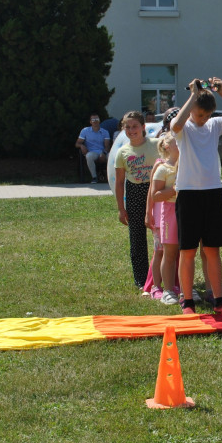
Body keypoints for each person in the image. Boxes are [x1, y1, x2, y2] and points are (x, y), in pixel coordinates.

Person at [170, 77, 222, 314]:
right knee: (187, 251)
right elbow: (174, 125)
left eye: (206, 115)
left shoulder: (215, 124)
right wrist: (193, 95)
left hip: (212, 193)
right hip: (188, 194)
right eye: (199, 115)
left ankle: (218, 299)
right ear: (192, 109)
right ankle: (187, 301)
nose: (202, 119)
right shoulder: (184, 127)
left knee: (212, 249)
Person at [113, 111, 158, 289]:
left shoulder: (156, 145)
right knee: (137, 238)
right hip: (134, 193)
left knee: (163, 236)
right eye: (128, 127)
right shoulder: (122, 152)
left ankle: (162, 276)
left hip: (155, 191)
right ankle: (141, 280)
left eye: (135, 126)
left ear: (143, 127)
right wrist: (120, 208)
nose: (131, 130)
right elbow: (119, 183)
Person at [145, 132, 180, 305]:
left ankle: (176, 286)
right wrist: (148, 214)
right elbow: (153, 194)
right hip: (163, 216)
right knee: (161, 252)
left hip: (180, 212)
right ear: (166, 146)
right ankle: (157, 287)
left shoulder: (185, 165)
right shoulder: (161, 167)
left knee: (178, 252)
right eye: (177, 142)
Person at [75, 113, 111, 183]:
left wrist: (103, 153)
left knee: (111, 156)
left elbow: (107, 147)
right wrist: (81, 146)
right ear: (90, 122)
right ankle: (94, 177)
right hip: (92, 152)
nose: (95, 121)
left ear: (99, 120)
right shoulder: (85, 131)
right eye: (93, 119)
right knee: (89, 156)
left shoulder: (105, 132)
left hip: (102, 152)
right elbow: (77, 143)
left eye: (97, 119)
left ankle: (111, 177)